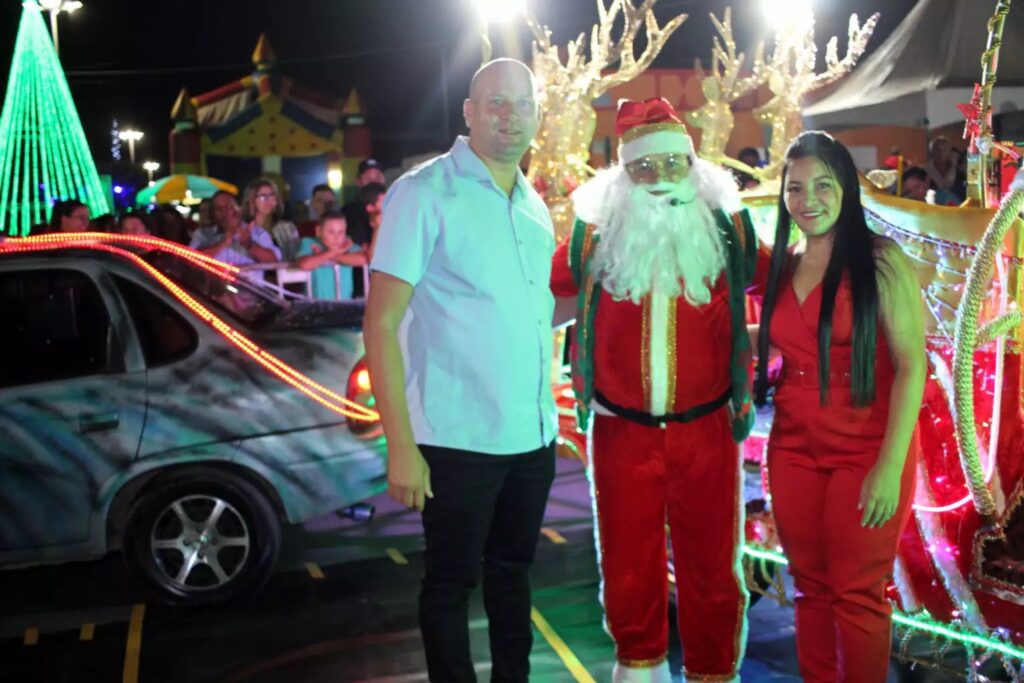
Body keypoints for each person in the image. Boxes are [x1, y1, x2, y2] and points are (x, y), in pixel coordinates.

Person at [550, 97, 757, 683]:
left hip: (708, 429)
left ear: (692, 165)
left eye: (672, 164)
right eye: (644, 168)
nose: (661, 179)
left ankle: (714, 671)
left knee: (714, 565)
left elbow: (791, 273)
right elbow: (535, 286)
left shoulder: (726, 230)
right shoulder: (593, 237)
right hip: (622, 431)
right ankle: (638, 666)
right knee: (627, 562)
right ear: (623, 176)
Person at [365, 58, 556, 683]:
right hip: (457, 440)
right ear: (469, 112)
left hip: (532, 437)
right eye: (496, 103)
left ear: (537, 115)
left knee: (513, 575)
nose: (510, 116)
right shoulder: (424, 193)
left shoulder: (534, 207)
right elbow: (381, 323)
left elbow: (527, 312)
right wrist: (401, 446)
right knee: (450, 584)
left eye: (523, 104)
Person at [753, 131, 925, 682]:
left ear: (847, 188)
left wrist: (889, 467)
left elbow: (912, 366)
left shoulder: (880, 260)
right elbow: (789, 338)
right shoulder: (784, 265)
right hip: (793, 447)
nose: (808, 200)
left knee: (857, 593)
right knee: (811, 588)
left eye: (823, 185)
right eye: (795, 188)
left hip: (867, 447)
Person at [189, 190, 281, 268]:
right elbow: (190, 260)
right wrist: (223, 244)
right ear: (216, 214)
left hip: (248, 284)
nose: (232, 209)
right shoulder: (203, 234)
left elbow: (274, 261)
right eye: (223, 207)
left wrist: (249, 245)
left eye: (233, 204)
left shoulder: (257, 232)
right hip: (214, 284)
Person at [295, 211, 367, 299]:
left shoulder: (346, 245)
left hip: (344, 304)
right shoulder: (309, 242)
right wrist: (335, 252)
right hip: (315, 305)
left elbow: (364, 259)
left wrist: (328, 255)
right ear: (318, 231)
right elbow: (304, 265)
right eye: (331, 232)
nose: (337, 237)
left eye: (341, 232)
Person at [242, 177, 300, 260]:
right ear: (252, 200)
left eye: (272, 195)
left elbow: (296, 257)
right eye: (262, 197)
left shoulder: (287, 228)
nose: (268, 200)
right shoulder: (244, 230)